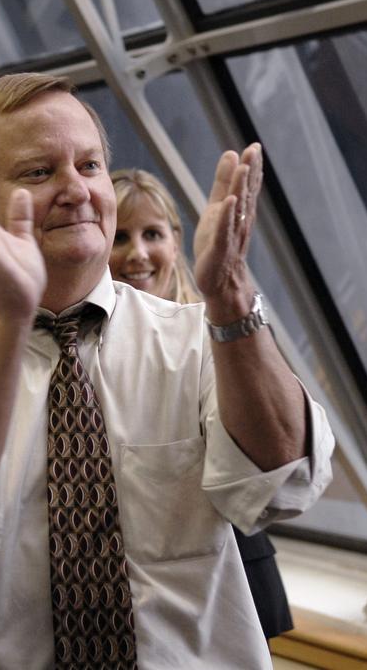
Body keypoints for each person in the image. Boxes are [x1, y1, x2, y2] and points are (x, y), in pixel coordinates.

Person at [0, 73, 333, 669]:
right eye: (38, 172)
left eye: (90, 165)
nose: (75, 189)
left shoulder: (196, 340)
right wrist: (11, 319)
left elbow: (280, 485)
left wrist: (231, 300)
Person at [109, 167, 294, 640]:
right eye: (120, 237)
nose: (138, 254)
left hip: (240, 571)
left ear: (176, 241)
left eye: (153, 233)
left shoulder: (226, 334)